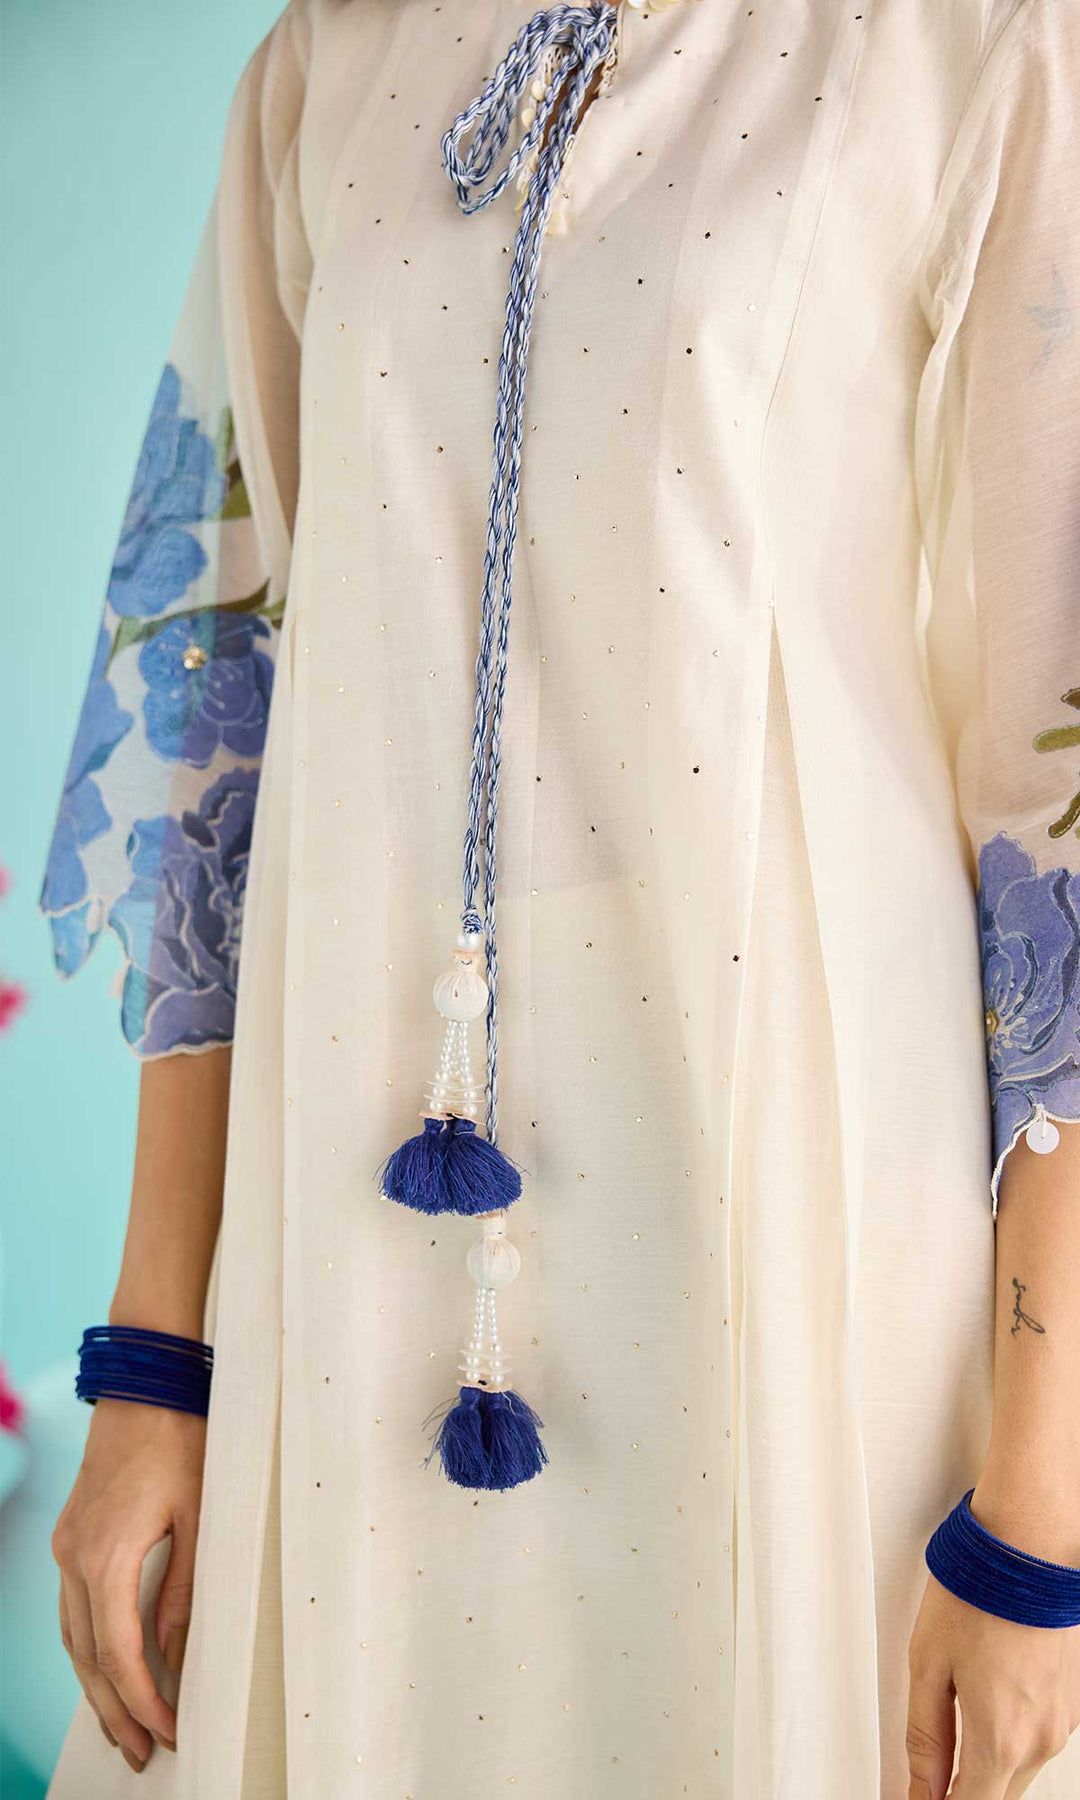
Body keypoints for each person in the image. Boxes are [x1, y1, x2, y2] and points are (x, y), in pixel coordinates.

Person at [37, 0, 1080, 1794]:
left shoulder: (974, 44)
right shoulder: (326, 64)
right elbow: (217, 715)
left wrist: (1041, 1515)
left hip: (790, 1197)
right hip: (350, 1212)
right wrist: (153, 1369)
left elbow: (1058, 802)